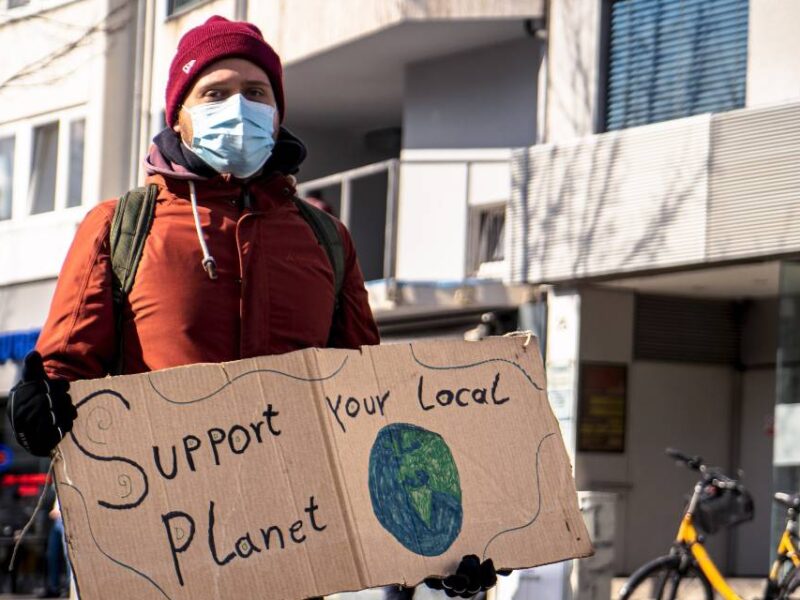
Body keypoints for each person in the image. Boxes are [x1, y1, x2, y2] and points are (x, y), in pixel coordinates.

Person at [7, 16, 501, 598]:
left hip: (293, 562)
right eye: (215, 93)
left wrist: (444, 548)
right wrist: (38, 406)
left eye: (256, 93)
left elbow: (369, 415)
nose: (238, 107)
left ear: (277, 112)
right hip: (157, 562)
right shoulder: (120, 228)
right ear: (180, 116)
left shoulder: (327, 240)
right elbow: (63, 378)